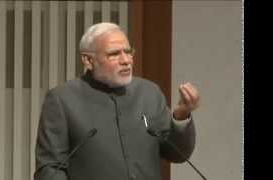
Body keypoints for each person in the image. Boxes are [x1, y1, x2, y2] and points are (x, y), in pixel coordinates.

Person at [34, 22, 200, 180]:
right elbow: (51, 169)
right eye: (114, 54)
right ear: (88, 60)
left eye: (128, 52)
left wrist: (181, 115)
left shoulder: (149, 93)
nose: (126, 60)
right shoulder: (62, 99)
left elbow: (177, 154)